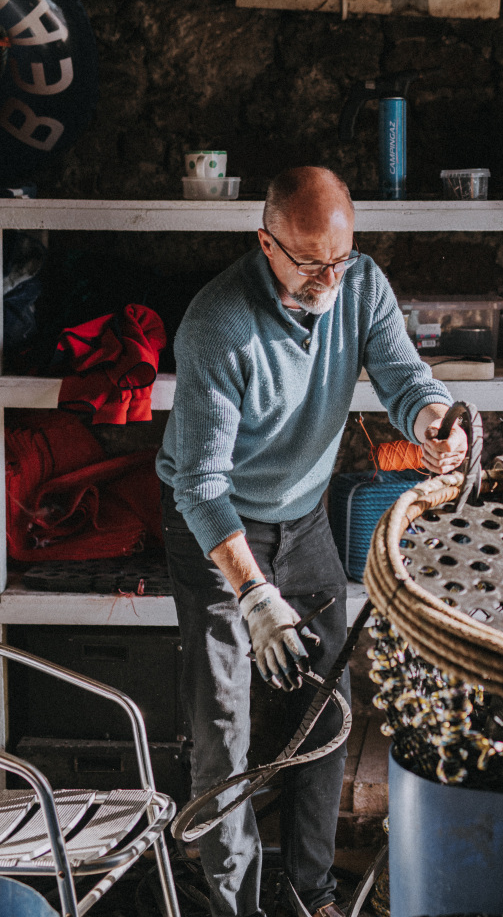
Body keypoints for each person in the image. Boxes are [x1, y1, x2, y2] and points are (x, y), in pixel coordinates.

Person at [156, 166, 468, 917]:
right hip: (217, 532)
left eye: (342, 257)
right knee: (223, 729)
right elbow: (199, 486)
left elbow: (403, 372)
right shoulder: (217, 323)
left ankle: (310, 893)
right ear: (266, 243)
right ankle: (234, 902)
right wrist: (253, 591)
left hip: (303, 520)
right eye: (310, 262)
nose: (330, 277)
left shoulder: (358, 283)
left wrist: (430, 421)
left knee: (327, 710)